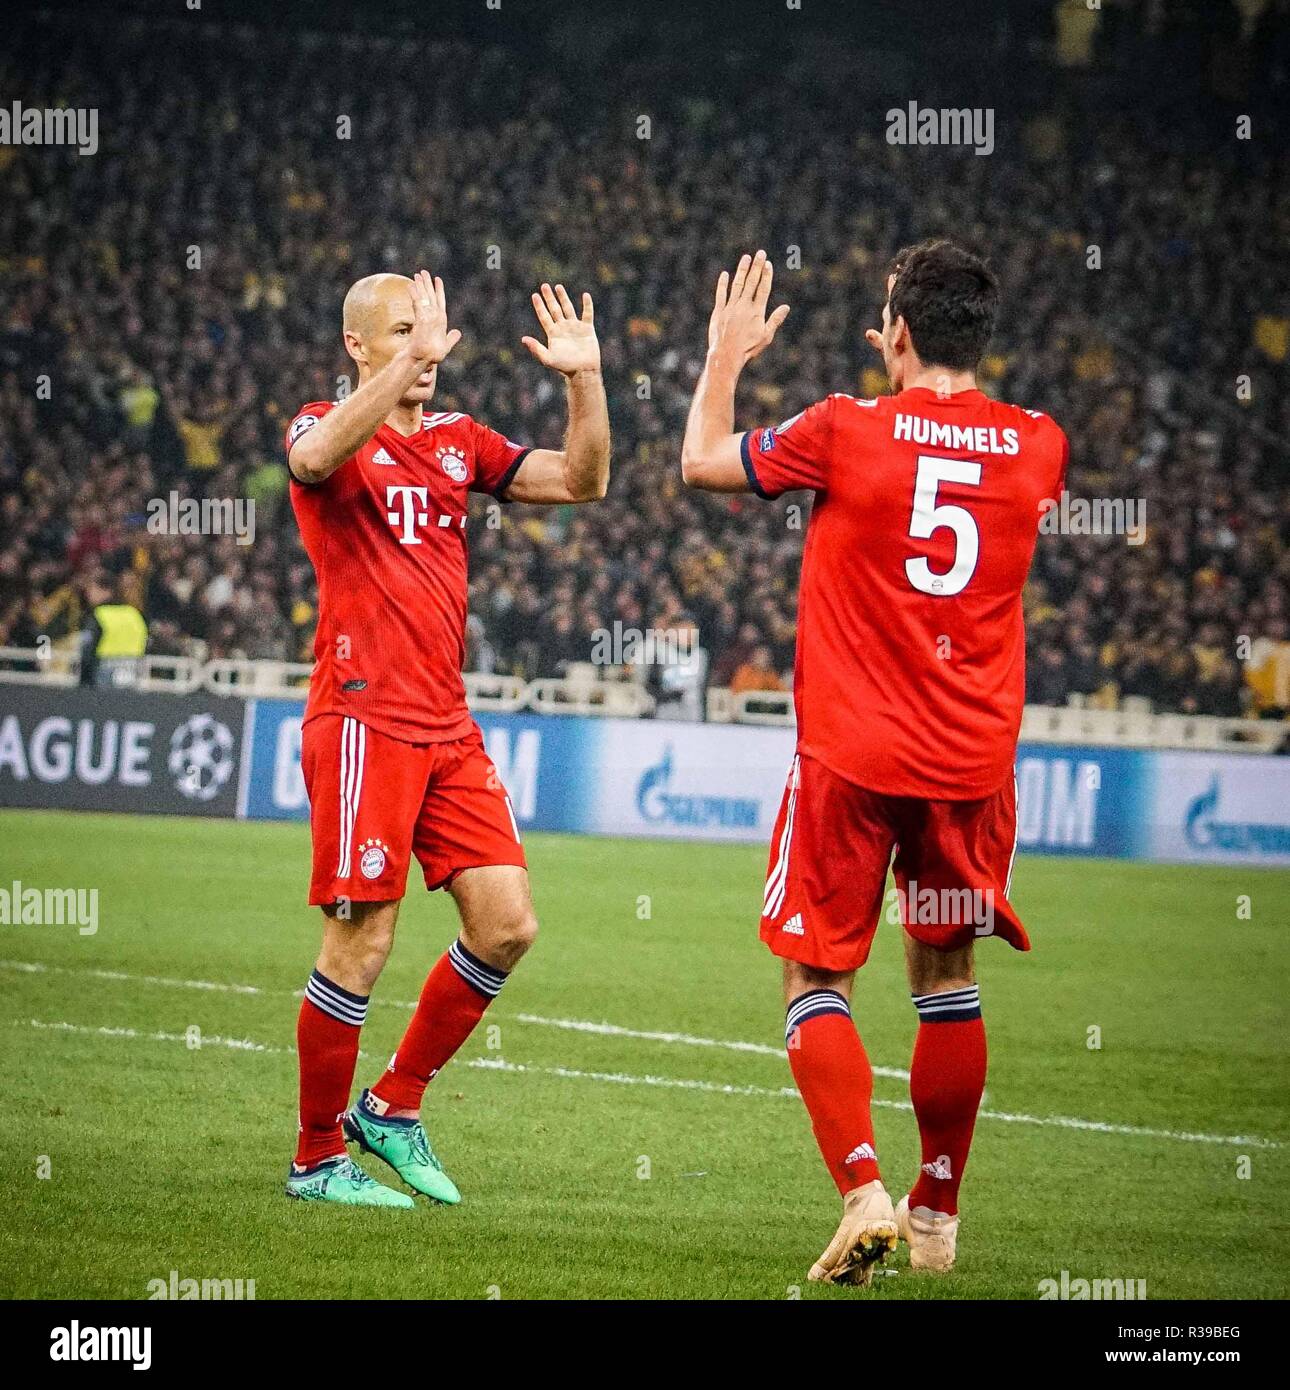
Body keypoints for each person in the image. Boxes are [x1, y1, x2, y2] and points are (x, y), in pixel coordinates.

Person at [681, 241, 1067, 1283]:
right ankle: (936, 1213)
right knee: (946, 976)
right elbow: (953, 457)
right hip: (970, 768)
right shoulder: (1041, 445)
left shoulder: (844, 428)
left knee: (817, 974)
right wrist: (914, 370)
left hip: (853, 760)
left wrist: (726, 355)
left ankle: (861, 1189)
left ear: (892, 331)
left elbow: (702, 462)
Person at [284, 270, 609, 1206]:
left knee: (507, 924)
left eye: (431, 329)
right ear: (358, 346)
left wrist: (583, 381)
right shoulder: (321, 425)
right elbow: (312, 464)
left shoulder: (462, 444)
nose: (426, 346)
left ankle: (390, 1106)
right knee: (361, 943)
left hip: (446, 724)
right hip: (360, 718)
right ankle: (314, 1159)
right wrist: (406, 368)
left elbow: (582, 480)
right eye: (401, 330)